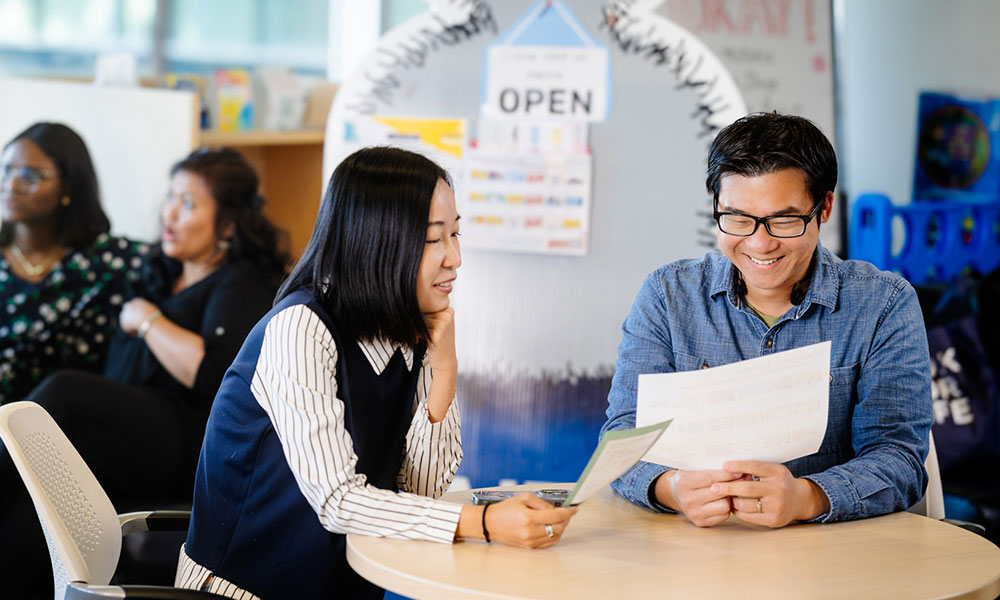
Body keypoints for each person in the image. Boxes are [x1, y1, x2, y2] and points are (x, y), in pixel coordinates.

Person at [175, 147, 579, 599]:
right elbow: (337, 500)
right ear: (376, 242)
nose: (455, 258)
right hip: (243, 590)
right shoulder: (302, 327)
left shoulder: (411, 329)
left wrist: (444, 366)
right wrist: (482, 524)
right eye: (433, 239)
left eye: (456, 234)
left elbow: (421, 490)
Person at [602, 112, 932, 528]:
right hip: (693, 548)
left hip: (834, 554)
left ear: (824, 207)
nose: (760, 243)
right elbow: (622, 439)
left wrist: (808, 497)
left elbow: (899, 457)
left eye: (784, 219)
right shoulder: (668, 296)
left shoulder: (883, 304)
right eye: (737, 218)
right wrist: (673, 488)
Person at [0, 147, 289, 599]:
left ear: (229, 225)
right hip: (134, 443)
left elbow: (215, 375)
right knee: (39, 505)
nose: (169, 213)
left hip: (192, 445)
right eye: (170, 198)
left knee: (66, 392)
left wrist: (149, 322)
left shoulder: (241, 282)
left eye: (189, 203)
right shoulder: (160, 273)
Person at [0, 122, 147, 404]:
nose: (11, 186)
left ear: (68, 186)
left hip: (66, 427)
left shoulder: (109, 264)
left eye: (30, 175)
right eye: (6, 171)